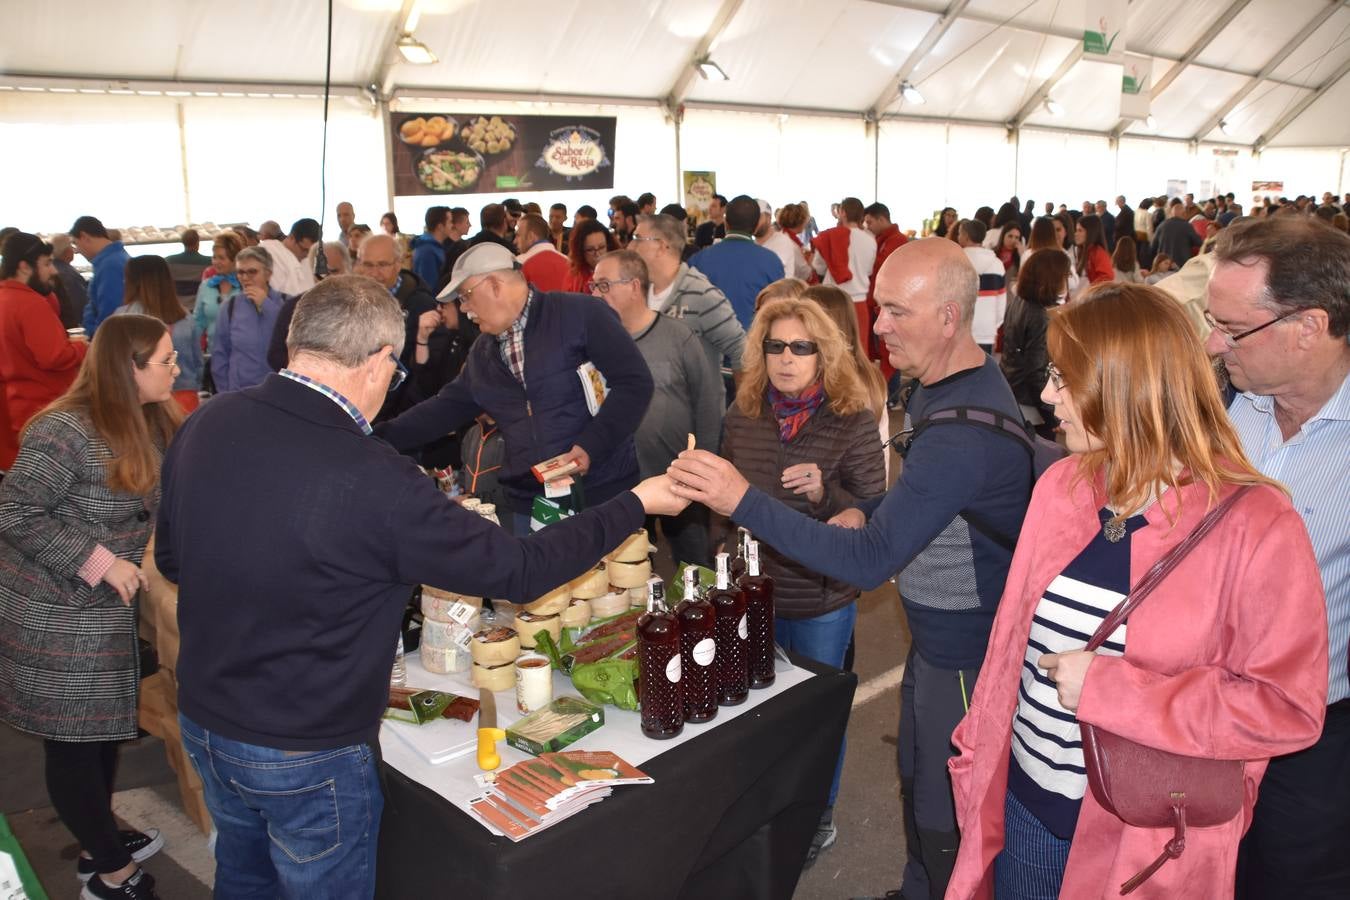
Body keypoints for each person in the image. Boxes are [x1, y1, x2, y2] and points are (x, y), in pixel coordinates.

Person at [155, 275, 686, 897]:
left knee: (244, 879)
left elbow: (173, 559)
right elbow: (519, 571)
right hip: (306, 745)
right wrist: (634, 502)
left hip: (205, 717)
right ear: (381, 361)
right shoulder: (373, 476)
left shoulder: (207, 422)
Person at [669, 238, 1035, 900]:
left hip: (964, 651)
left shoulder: (959, 430)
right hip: (937, 642)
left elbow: (870, 564)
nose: (878, 324)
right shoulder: (945, 389)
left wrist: (741, 499)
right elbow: (919, 503)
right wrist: (865, 508)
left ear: (949, 318)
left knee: (945, 808)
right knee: (917, 777)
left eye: (895, 311)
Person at [945, 282, 1328, 900]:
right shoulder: (1063, 486)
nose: (1047, 397)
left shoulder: (1257, 525)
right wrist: (978, 747)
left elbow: (1287, 709)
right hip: (1024, 810)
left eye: (1065, 380)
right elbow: (1009, 648)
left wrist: (1112, 689)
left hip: (1142, 843)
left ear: (1128, 388)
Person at [0, 314, 183, 900]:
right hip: (55, 611)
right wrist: (99, 560)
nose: (177, 368)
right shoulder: (66, 429)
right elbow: (15, 510)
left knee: (101, 733)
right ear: (129, 369)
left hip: (101, 609)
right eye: (166, 360)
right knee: (75, 742)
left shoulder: (149, 419)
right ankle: (108, 873)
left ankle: (94, 840)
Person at [1203, 217, 1350, 900]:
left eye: (1232, 329)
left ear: (1309, 327)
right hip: (1196, 710)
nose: (1213, 343)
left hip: (1313, 745)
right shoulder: (1222, 404)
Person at [718, 295, 886, 866]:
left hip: (819, 600)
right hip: (752, 594)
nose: (787, 359)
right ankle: (763, 809)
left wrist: (826, 497)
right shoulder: (741, 415)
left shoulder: (852, 418)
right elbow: (724, 503)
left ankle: (818, 818)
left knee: (818, 720)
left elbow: (874, 508)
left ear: (824, 353)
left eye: (802, 347)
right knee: (756, 713)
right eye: (776, 347)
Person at [378, 243, 654, 536]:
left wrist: (590, 446)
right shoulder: (483, 354)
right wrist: (374, 436)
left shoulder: (581, 315)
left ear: (495, 285)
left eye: (466, 296)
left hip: (602, 491)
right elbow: (441, 410)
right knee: (544, 581)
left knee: (617, 578)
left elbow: (635, 384)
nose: (464, 308)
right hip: (530, 504)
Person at [591, 249, 721, 568]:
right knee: (625, 570)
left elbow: (708, 402)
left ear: (634, 286)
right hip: (619, 484)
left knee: (695, 567)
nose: (595, 293)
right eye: (593, 286)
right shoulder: (592, 342)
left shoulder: (678, 337)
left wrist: (703, 467)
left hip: (681, 477)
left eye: (604, 285)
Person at [0, 232, 90, 471]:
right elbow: (54, 356)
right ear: (24, 267)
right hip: (44, 413)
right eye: (47, 263)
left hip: (14, 413)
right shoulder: (29, 304)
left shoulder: (5, 298)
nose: (54, 271)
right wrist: (81, 347)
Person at [631, 214, 746, 388]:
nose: (630, 246)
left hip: (694, 412)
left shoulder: (702, 295)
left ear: (661, 247)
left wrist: (744, 408)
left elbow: (741, 351)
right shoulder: (639, 292)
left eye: (638, 239)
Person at [114, 256, 203, 412]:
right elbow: (198, 362)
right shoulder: (186, 317)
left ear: (132, 281)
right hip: (185, 397)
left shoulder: (122, 318)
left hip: (140, 400)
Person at [688, 195, 784, 329]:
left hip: (708, 343)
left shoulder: (698, 259)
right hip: (753, 342)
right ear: (756, 226)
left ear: (726, 222)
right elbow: (778, 311)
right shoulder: (772, 261)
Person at [1001, 247, 1068, 439]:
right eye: (1065, 275)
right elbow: (1036, 372)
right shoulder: (1040, 317)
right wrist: (1053, 412)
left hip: (1014, 391)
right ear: (1052, 279)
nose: (1067, 281)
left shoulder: (1019, 301)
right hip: (1032, 405)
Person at [211, 246, 287, 392]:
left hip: (279, 393)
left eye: (252, 272)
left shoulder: (286, 303)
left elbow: (289, 340)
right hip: (240, 393)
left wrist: (267, 305)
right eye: (240, 272)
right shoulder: (229, 307)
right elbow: (220, 355)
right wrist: (226, 394)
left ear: (268, 274)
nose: (245, 278)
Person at [810, 198, 878, 337]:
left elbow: (819, 267)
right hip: (859, 301)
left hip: (833, 300)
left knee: (832, 345)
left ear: (842, 212)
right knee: (859, 349)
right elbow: (869, 270)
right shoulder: (870, 239)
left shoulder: (829, 236)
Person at [71, 215, 131, 335]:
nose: (77, 250)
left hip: (108, 341)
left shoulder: (110, 266)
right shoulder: (117, 259)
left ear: (84, 237)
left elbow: (110, 314)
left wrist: (95, 338)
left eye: (76, 244)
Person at [956, 219, 1007, 354]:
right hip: (986, 330)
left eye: (959, 233)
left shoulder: (955, 261)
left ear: (966, 236)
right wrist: (994, 327)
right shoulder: (997, 264)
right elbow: (1001, 303)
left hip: (957, 330)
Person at [194, 231, 244, 365]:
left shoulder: (246, 286)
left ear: (235, 259)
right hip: (215, 356)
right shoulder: (206, 286)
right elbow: (198, 322)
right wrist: (195, 351)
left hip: (244, 358)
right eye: (214, 257)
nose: (216, 262)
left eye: (222, 258)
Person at [259, 218, 320, 296]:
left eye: (310, 251)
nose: (307, 255)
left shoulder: (308, 259)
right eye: (304, 250)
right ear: (291, 237)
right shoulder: (268, 250)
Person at [514, 213, 570, 293]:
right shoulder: (569, 263)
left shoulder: (519, 263)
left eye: (518, 235)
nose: (515, 241)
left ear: (531, 237)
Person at [760, 199, 812, 282]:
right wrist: (811, 259)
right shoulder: (791, 243)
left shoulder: (780, 236)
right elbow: (805, 273)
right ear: (800, 221)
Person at [563, 218, 618, 293]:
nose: (597, 254)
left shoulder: (620, 271)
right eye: (590, 250)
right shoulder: (574, 275)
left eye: (601, 247)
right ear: (580, 252)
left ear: (609, 245)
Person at [48, 234, 90, 329]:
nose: (74, 251)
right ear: (67, 251)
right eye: (71, 247)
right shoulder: (67, 274)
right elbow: (78, 303)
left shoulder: (53, 269)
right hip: (73, 327)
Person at [1151, 198, 1204, 267]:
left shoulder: (1162, 225)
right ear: (1183, 214)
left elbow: (1153, 247)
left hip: (1163, 265)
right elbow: (1199, 242)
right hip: (1181, 265)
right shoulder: (1187, 226)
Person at [409, 206, 451, 289]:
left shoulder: (433, 247)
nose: (452, 225)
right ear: (440, 226)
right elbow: (428, 286)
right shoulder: (427, 251)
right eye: (450, 222)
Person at [1073, 214, 1113, 293]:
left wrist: (1088, 290)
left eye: (1080, 230)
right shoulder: (1082, 251)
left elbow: (1107, 277)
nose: (1075, 234)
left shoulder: (1098, 252)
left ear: (1091, 232)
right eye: (1076, 230)